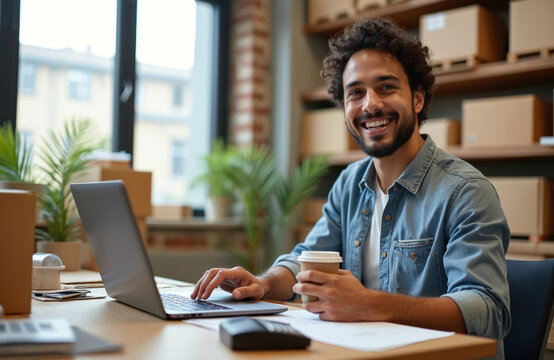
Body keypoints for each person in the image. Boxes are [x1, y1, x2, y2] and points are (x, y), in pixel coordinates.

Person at [191, 18, 510, 358]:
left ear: (417, 98)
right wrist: (263, 283)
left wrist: (369, 304)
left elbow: (486, 311)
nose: (370, 104)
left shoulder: (466, 191)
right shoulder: (350, 183)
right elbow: (305, 258)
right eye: (355, 92)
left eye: (386, 87)